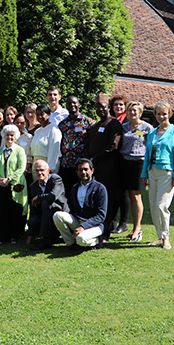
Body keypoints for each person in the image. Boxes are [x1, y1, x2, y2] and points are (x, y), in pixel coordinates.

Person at [141, 101, 174, 250]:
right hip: (151, 171)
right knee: (153, 207)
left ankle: (166, 238)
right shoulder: (152, 132)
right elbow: (147, 155)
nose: (161, 116)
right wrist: (144, 173)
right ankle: (159, 237)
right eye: (158, 114)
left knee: (162, 206)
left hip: (167, 173)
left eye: (164, 113)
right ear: (155, 115)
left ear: (169, 114)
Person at [84, 99, 123, 240]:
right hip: (95, 169)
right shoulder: (96, 125)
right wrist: (89, 159)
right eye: (98, 108)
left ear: (108, 108)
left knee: (109, 198)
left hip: (108, 168)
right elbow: (88, 144)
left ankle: (107, 229)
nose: (100, 110)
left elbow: (113, 145)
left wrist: (95, 159)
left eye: (103, 107)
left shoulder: (114, 124)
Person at [53, 158, 108, 249]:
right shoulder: (75, 188)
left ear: (92, 170)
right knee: (57, 215)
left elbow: (101, 215)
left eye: (86, 169)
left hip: (95, 225)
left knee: (81, 239)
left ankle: (98, 240)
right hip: (79, 221)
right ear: (77, 172)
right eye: (80, 170)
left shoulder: (100, 188)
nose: (83, 172)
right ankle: (71, 243)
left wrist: (83, 226)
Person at [120, 101, 153, 242]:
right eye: (130, 110)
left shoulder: (147, 128)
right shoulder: (123, 127)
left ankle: (137, 228)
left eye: (135, 110)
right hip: (124, 163)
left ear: (140, 112)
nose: (132, 113)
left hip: (139, 163)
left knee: (136, 196)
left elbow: (151, 148)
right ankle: (133, 227)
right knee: (129, 195)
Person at [0, 124, 28, 244]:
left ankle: (14, 236)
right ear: (3, 136)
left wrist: (9, 179)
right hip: (0, 186)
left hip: (15, 186)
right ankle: (3, 237)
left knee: (14, 211)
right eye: (7, 135)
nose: (9, 138)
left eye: (12, 135)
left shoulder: (19, 150)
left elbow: (21, 168)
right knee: (3, 211)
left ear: (15, 136)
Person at [27, 159, 67, 250]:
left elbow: (53, 196)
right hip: (44, 215)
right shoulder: (33, 186)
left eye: (42, 170)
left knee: (46, 203)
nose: (39, 173)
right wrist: (30, 234)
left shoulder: (56, 179)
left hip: (60, 212)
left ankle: (45, 240)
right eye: (36, 171)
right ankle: (44, 237)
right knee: (32, 221)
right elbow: (33, 208)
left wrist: (38, 197)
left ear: (48, 170)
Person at [57, 95, 94, 190]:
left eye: (74, 103)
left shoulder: (88, 122)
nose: (72, 105)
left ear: (79, 105)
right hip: (65, 164)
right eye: (69, 103)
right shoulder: (62, 124)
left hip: (81, 165)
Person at [28, 105, 61, 176]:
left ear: (48, 115)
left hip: (47, 166)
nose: (39, 117)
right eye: (37, 115)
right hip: (36, 166)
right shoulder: (37, 131)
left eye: (42, 114)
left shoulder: (54, 129)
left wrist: (50, 169)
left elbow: (54, 151)